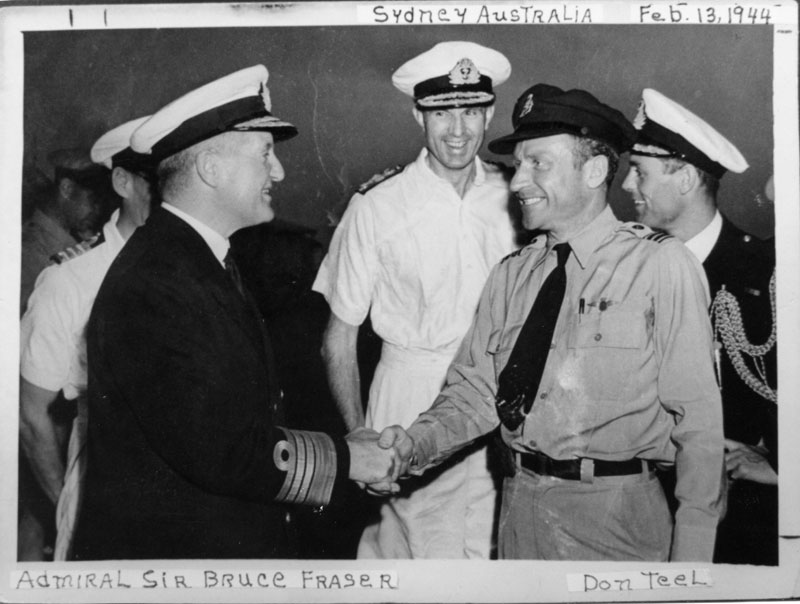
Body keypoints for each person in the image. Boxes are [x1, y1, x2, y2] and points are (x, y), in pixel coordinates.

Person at [381, 83, 726, 562]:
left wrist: (693, 562)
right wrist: (410, 447)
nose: (518, 180)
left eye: (537, 163)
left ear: (595, 170)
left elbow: (700, 430)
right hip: (519, 513)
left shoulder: (660, 267)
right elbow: (473, 395)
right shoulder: (511, 275)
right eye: (519, 163)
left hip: (617, 523)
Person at [70, 65, 400, 560]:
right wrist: (349, 458)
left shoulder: (196, 260)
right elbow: (221, 449)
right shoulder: (157, 284)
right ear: (211, 169)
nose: (280, 171)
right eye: (265, 154)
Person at [313, 41, 517, 559]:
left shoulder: (516, 194)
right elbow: (339, 337)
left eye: (471, 111)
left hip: (501, 401)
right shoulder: (377, 205)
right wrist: (359, 433)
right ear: (417, 114)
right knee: (416, 558)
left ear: (489, 112)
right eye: (442, 112)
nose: (458, 129)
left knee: (498, 551)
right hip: (410, 399)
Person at [621, 88, 777, 565]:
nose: (627, 185)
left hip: (744, 522)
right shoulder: (625, 266)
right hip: (635, 508)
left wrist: (783, 466)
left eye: (640, 171)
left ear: (685, 178)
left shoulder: (766, 271)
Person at [19, 116, 157, 562]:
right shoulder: (74, 279)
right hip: (102, 489)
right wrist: (69, 509)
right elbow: (30, 413)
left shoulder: (191, 272)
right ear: (122, 182)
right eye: (157, 182)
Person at [20, 150, 106, 314]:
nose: (97, 209)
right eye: (92, 200)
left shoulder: (72, 240)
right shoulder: (30, 252)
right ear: (66, 188)